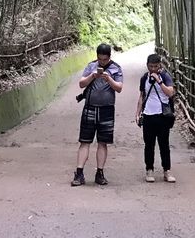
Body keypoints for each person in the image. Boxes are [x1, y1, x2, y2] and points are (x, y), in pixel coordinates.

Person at [72, 43, 123, 186]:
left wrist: (109, 79)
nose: (102, 62)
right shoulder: (91, 66)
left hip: (107, 109)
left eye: (105, 60)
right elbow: (81, 84)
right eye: (100, 59)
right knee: (84, 141)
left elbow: (119, 88)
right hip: (90, 107)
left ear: (109, 57)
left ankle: (99, 173)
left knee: (102, 142)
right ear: (97, 57)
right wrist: (92, 76)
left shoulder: (116, 68)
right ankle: (79, 173)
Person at [134, 53, 176, 183]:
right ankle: (149, 169)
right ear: (147, 66)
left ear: (160, 65)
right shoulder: (144, 79)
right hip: (148, 115)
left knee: (164, 144)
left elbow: (170, 92)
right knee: (149, 144)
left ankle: (167, 171)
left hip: (163, 115)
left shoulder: (165, 76)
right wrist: (138, 112)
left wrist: (159, 81)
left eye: (156, 66)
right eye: (151, 66)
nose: (153, 69)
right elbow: (142, 96)